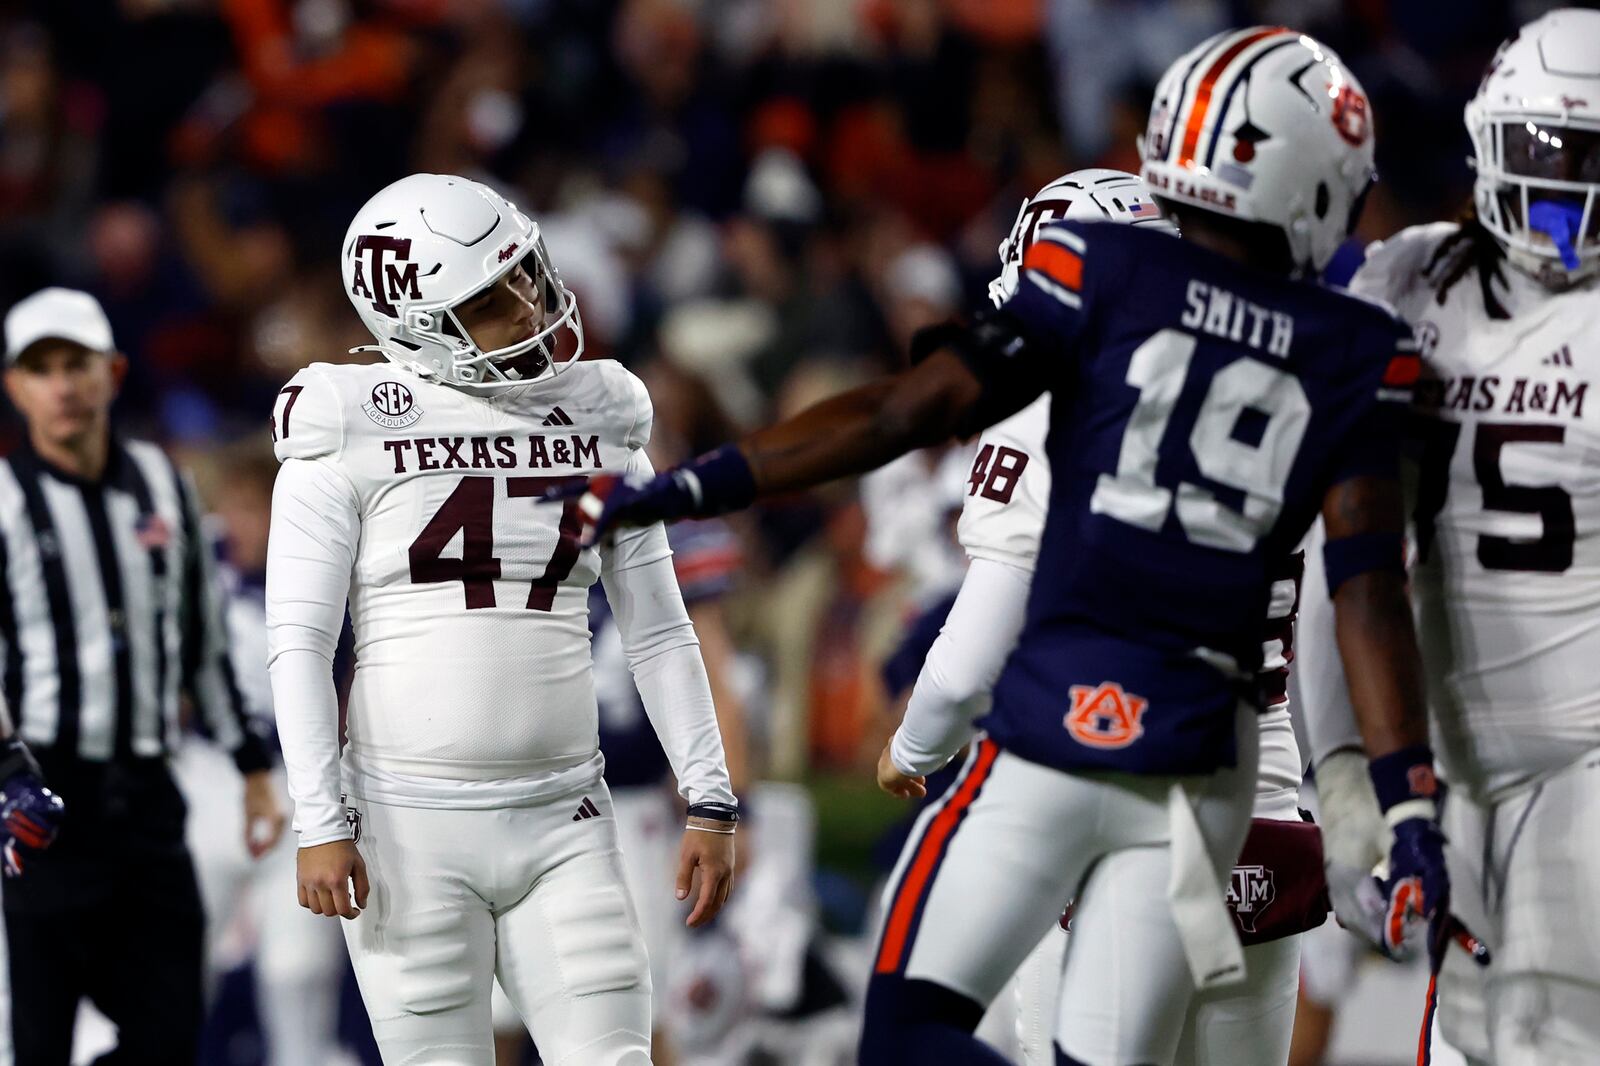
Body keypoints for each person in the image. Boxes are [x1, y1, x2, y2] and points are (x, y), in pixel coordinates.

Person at [559, 28, 1452, 1066]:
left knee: (906, 1025)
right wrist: (1387, 796)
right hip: (1228, 774)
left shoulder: (1104, 278)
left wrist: (697, 481)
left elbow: (907, 418)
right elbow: (1362, 601)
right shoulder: (1355, 352)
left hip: (1059, 746)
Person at [265, 173, 738, 1065]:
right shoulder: (346, 422)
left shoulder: (600, 414)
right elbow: (299, 642)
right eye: (489, 301)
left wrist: (709, 796)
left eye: (525, 273)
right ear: (416, 325)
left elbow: (661, 629)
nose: (527, 307)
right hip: (409, 830)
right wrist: (319, 820)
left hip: (567, 815)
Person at [892, 167, 1322, 1065]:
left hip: (1105, 812)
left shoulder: (1048, 412)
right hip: (1262, 806)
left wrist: (913, 748)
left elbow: (971, 658)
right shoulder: (1279, 394)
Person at [1300, 9, 1600, 1064]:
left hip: (1584, 755)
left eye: (1594, 157)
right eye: (1549, 152)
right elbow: (1341, 557)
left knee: (1542, 1032)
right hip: (1443, 761)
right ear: (1486, 140)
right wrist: (1341, 774)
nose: (1571, 190)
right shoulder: (1401, 282)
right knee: (1466, 1038)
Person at [0, 286, 283, 1064]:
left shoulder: (162, 481)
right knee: (39, 1035)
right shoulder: (4, 502)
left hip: (152, 794)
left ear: (113, 373)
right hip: (43, 796)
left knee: (169, 1029)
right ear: (16, 386)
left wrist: (253, 765)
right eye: (42, 369)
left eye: (76, 365)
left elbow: (201, 633)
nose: (62, 385)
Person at [171, 444, 350, 1066]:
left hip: (297, 782)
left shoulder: (327, 572)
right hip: (208, 779)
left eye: (256, 508)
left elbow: (351, 687)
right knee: (175, 964)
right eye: (234, 508)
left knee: (296, 972)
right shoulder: (194, 565)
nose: (241, 523)